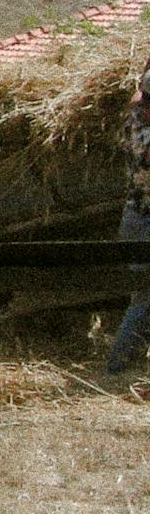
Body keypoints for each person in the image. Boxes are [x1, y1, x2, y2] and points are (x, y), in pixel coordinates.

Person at [106, 60, 150, 374]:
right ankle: (117, 369)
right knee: (147, 298)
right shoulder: (143, 135)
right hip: (144, 223)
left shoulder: (138, 113)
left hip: (139, 219)